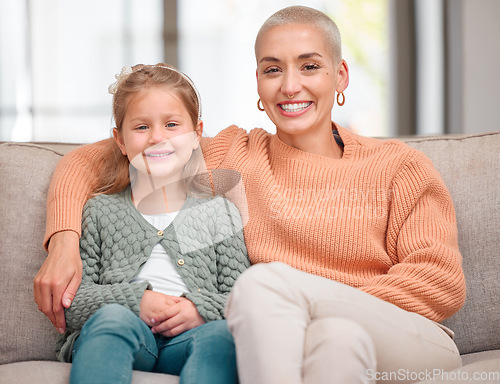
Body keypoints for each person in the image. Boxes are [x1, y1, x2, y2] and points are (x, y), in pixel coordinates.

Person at [34, 6, 466, 384]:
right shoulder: (236, 153)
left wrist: (306, 299)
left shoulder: (398, 167)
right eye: (273, 69)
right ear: (258, 82)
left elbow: (440, 283)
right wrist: (65, 240)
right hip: (304, 335)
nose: (290, 86)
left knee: (262, 288)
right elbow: (93, 160)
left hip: (406, 338)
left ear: (340, 75)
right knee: (334, 340)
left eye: (310, 66)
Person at [53, 63, 249, 384]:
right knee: (113, 318)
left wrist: (198, 308)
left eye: (172, 124)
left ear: (196, 134)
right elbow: (73, 304)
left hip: (190, 340)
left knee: (220, 336)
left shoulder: (218, 213)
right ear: (120, 140)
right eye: (142, 127)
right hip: (125, 333)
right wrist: (135, 301)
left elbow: (243, 299)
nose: (157, 137)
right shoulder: (100, 211)